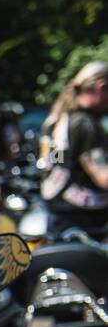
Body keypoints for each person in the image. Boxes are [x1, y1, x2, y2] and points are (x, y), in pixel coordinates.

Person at [41, 60, 108, 238]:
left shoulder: (54, 119)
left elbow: (56, 161)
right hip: (86, 223)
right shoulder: (86, 124)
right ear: (102, 87)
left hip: (56, 216)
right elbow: (103, 177)